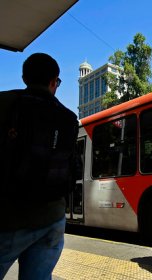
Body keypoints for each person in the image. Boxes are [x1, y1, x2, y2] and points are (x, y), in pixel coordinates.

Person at [0, 53, 78, 279]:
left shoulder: (6, 103)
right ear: (54, 81)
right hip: (52, 217)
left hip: (8, 215)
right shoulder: (69, 117)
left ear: (24, 78)